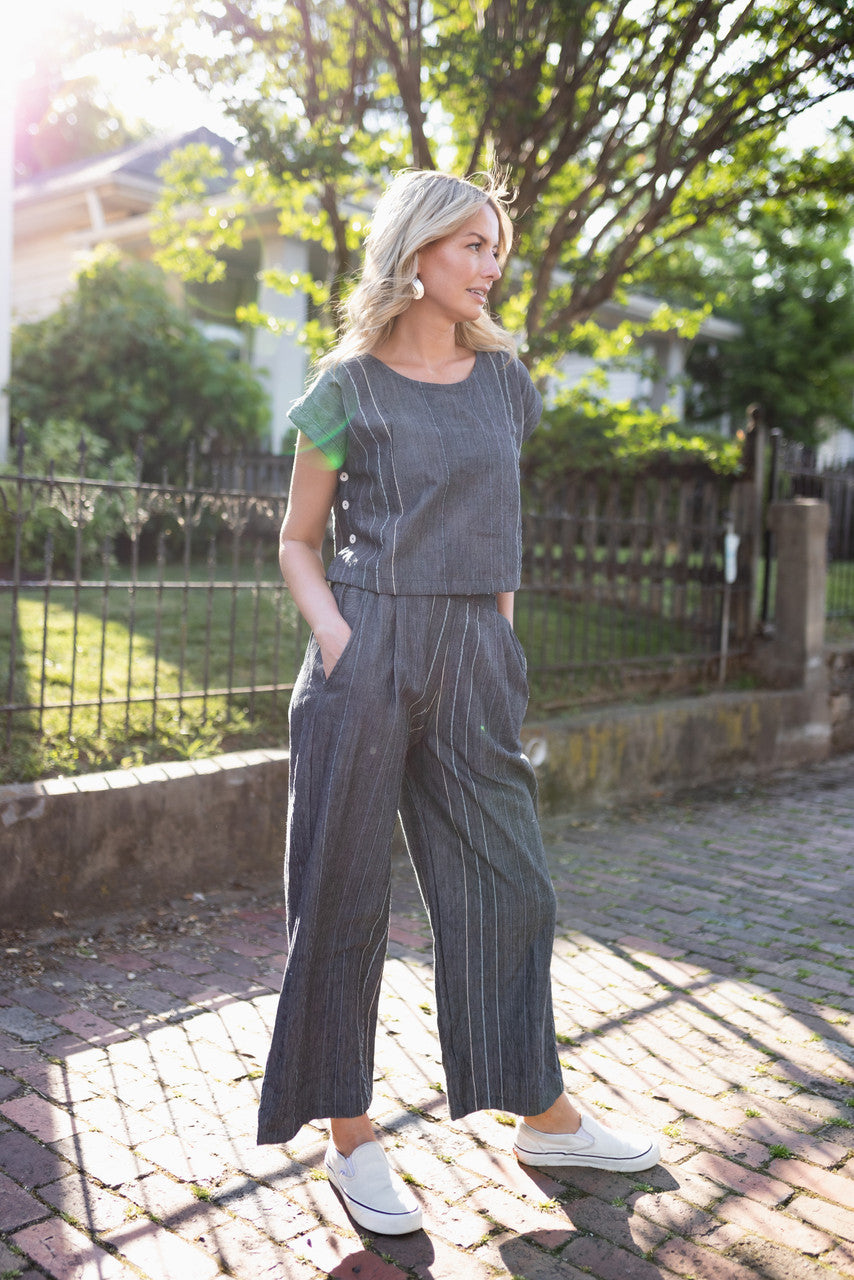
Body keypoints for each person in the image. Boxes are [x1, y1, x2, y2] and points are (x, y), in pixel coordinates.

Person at [257, 169, 659, 1235]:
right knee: (339, 898)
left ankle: (542, 1112)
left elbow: (501, 530)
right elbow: (296, 539)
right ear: (418, 251)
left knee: (510, 885)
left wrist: (501, 642)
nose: (491, 267)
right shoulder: (343, 390)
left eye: (497, 249)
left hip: (476, 648)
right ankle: (351, 1136)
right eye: (473, 246)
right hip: (366, 645)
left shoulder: (504, 383)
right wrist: (339, 640)